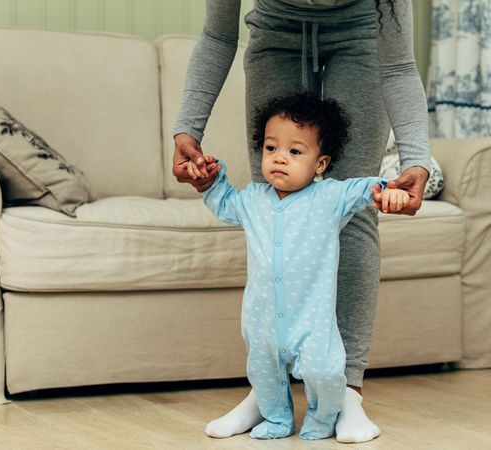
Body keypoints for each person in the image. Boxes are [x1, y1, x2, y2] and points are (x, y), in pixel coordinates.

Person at [173, 0, 430, 443]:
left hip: (361, 36)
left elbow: (399, 65)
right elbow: (218, 35)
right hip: (276, 37)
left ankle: (347, 390)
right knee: (273, 205)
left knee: (354, 210)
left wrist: (416, 158)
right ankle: (266, 391)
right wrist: (187, 130)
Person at [188, 92, 410, 440]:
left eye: (295, 152)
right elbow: (223, 201)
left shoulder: (329, 197)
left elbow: (366, 188)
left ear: (320, 164)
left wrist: (387, 191)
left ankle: (323, 420)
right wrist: (209, 179)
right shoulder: (251, 200)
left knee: (325, 370)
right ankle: (276, 419)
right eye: (271, 148)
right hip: (261, 318)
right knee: (263, 371)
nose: (280, 159)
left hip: (312, 318)